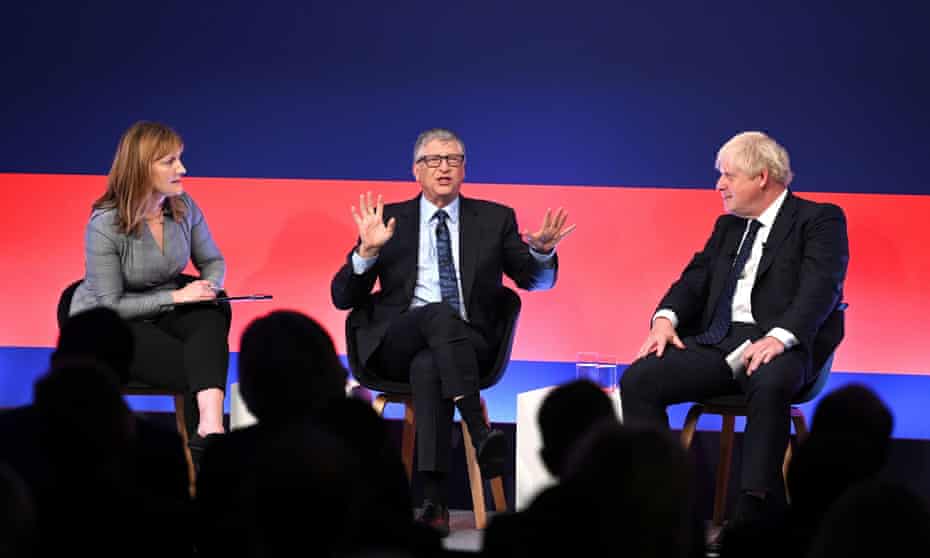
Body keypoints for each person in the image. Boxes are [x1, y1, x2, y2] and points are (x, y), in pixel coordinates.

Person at [331, 128, 575, 536]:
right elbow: (342, 297)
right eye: (433, 160)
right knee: (436, 317)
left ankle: (434, 500)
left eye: (453, 159)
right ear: (416, 171)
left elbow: (532, 281)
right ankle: (480, 433)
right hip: (396, 341)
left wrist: (543, 253)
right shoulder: (389, 218)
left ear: (464, 168)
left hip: (467, 344)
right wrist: (367, 252)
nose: (444, 167)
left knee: (432, 366)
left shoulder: (495, 218)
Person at [620, 131, 849, 530]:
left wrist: (780, 337)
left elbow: (821, 287)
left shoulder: (818, 219)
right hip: (719, 343)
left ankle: (754, 512)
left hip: (783, 344)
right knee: (641, 377)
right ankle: (658, 505)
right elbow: (694, 279)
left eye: (728, 175)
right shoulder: (728, 227)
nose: (719, 185)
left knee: (770, 379)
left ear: (762, 176)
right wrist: (664, 318)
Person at [68, 121, 231, 456]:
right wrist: (176, 297)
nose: (182, 169)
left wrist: (210, 286)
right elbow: (109, 305)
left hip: (165, 309)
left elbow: (213, 261)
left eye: (179, 159)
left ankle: (211, 426)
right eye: (169, 161)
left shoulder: (184, 207)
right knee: (198, 367)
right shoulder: (104, 225)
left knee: (212, 312)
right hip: (112, 323)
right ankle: (205, 455)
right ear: (142, 168)